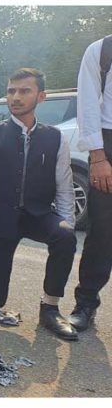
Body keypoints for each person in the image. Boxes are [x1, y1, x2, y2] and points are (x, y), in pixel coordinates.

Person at [0, 68, 78, 341]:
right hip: (1, 219)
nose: (15, 97)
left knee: (64, 236)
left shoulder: (56, 138)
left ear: (41, 96)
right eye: (11, 91)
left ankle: (49, 307)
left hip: (37, 214)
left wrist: (68, 230)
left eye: (24, 91)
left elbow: (64, 184)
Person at [70, 36, 112, 331]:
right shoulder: (102, 50)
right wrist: (98, 157)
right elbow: (87, 101)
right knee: (102, 229)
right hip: (108, 145)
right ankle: (86, 300)